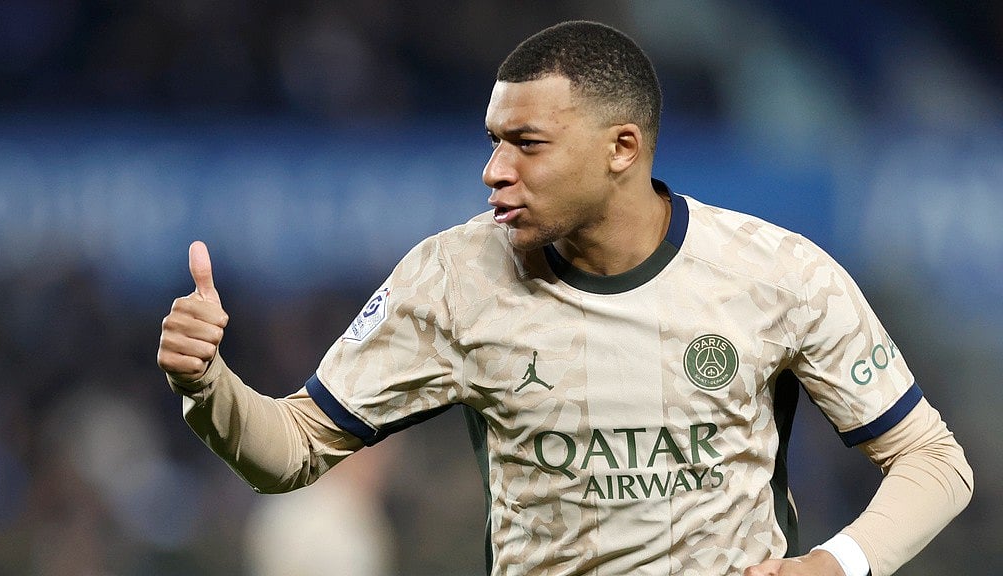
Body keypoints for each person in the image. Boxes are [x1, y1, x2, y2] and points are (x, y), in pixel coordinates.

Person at [157, 20, 973, 576]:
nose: (494, 170)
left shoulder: (776, 273)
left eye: (527, 144)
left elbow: (934, 461)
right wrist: (206, 384)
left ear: (622, 148)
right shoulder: (453, 279)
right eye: (493, 141)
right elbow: (292, 451)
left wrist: (836, 565)